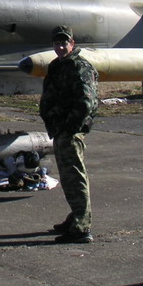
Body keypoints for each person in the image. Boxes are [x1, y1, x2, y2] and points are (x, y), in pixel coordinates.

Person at [38, 25, 98, 244]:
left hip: (69, 132)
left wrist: (70, 127)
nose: (60, 47)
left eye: (64, 43)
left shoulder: (79, 67)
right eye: (57, 43)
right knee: (68, 177)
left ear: (72, 44)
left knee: (75, 177)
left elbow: (86, 102)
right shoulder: (58, 66)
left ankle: (81, 228)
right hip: (60, 130)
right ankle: (76, 217)